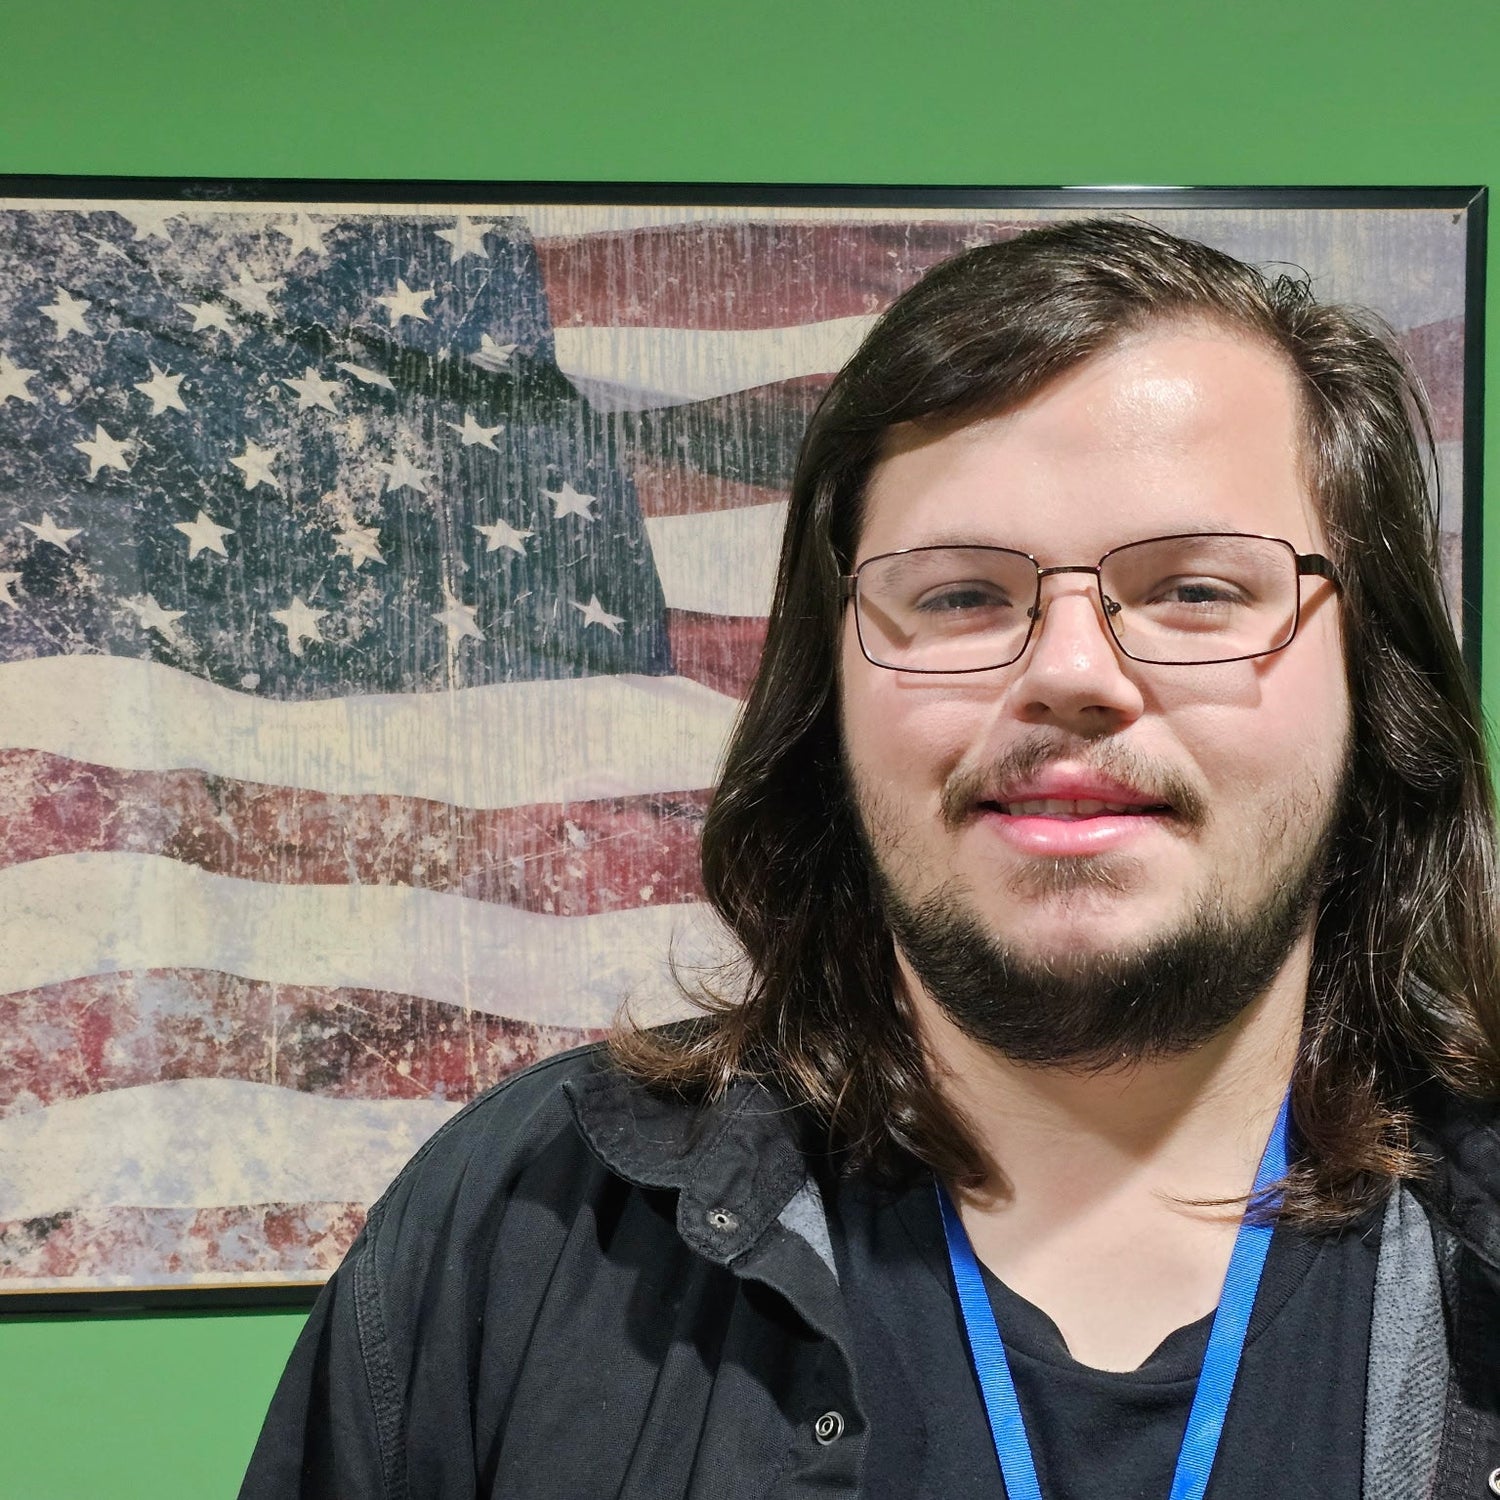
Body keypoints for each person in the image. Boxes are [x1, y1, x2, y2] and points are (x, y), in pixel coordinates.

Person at [240, 218, 1500, 1500]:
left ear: (1374, 683)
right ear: (827, 693)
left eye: (1195, 590)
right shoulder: (521, 1229)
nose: (1071, 671)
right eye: (959, 595)